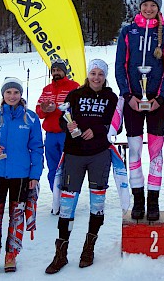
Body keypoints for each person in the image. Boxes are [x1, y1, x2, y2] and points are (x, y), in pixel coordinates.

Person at [45, 59, 118, 274]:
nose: (96, 78)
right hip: (75, 155)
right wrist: (67, 124)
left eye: (101, 74)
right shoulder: (75, 95)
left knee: (97, 203)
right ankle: (61, 253)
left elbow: (116, 124)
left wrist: (98, 130)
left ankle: (89, 248)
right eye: (93, 73)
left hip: (99, 155)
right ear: (88, 75)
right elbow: (61, 121)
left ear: (105, 77)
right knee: (67, 206)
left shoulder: (111, 98)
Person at [115, 0, 164, 221]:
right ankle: (138, 199)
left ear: (158, 8)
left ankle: (153, 200)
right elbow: (121, 64)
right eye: (145, 5)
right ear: (139, 6)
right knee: (136, 151)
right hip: (133, 101)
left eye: (153, 5)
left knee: (156, 151)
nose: (149, 9)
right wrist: (127, 95)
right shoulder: (128, 32)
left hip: (157, 101)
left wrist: (161, 97)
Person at [0, 77, 43, 275]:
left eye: (16, 92)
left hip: (21, 175)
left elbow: (37, 148)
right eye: (8, 92)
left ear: (21, 94)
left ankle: (11, 254)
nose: (12, 96)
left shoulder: (30, 118)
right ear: (3, 94)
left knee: (17, 215)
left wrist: (35, 175)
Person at [36, 58, 79, 194]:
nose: (56, 73)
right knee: (52, 167)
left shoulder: (74, 87)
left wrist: (55, 109)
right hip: (50, 135)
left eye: (59, 70)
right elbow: (39, 111)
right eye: (53, 70)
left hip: (67, 134)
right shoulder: (47, 89)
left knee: (69, 166)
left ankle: (69, 195)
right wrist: (44, 110)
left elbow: (78, 109)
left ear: (64, 71)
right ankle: (56, 195)